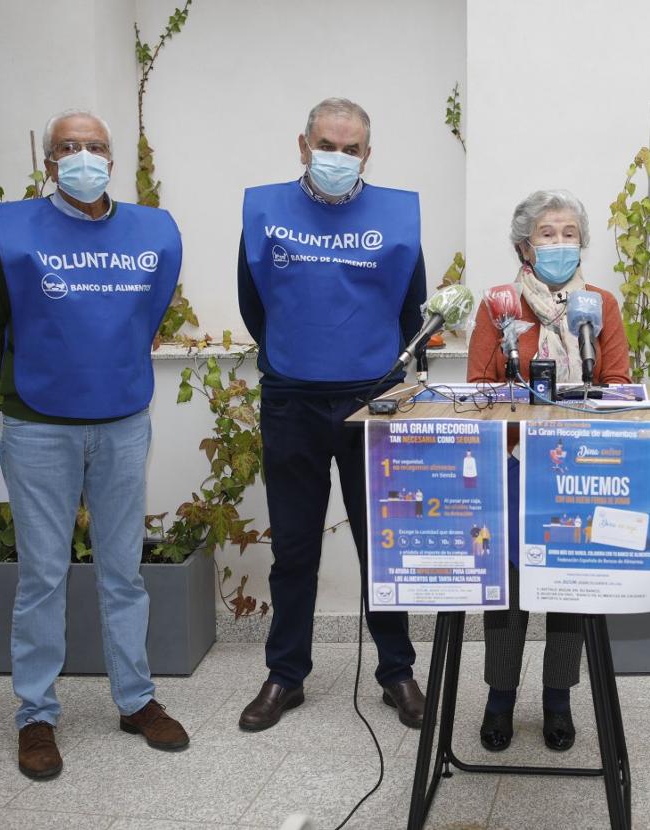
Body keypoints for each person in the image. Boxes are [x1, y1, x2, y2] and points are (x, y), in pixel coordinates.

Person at [0, 109, 189, 780]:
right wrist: (39, 375)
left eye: (94, 146)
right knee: (42, 575)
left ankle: (136, 700)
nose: (83, 156)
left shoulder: (152, 232)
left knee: (124, 571)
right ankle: (36, 715)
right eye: (69, 146)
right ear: (49, 162)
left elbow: (147, 313)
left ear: (111, 161)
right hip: (38, 424)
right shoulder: (13, 230)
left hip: (122, 420)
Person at [236, 98, 426, 731]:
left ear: (367, 155)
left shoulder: (397, 218)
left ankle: (397, 671)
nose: (337, 157)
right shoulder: (265, 213)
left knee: (384, 545)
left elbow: (412, 309)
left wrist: (373, 371)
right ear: (303, 145)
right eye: (326, 145)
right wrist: (299, 357)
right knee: (293, 548)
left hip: (375, 402)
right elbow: (255, 305)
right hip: (291, 399)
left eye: (350, 149)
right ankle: (285, 675)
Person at [467, 189, 632, 752]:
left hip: (579, 467)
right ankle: (500, 698)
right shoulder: (498, 306)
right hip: (514, 464)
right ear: (524, 246)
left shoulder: (600, 305)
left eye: (569, 233)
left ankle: (558, 698)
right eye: (547, 233)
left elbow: (617, 384)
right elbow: (479, 390)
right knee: (509, 592)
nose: (561, 243)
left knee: (568, 586)